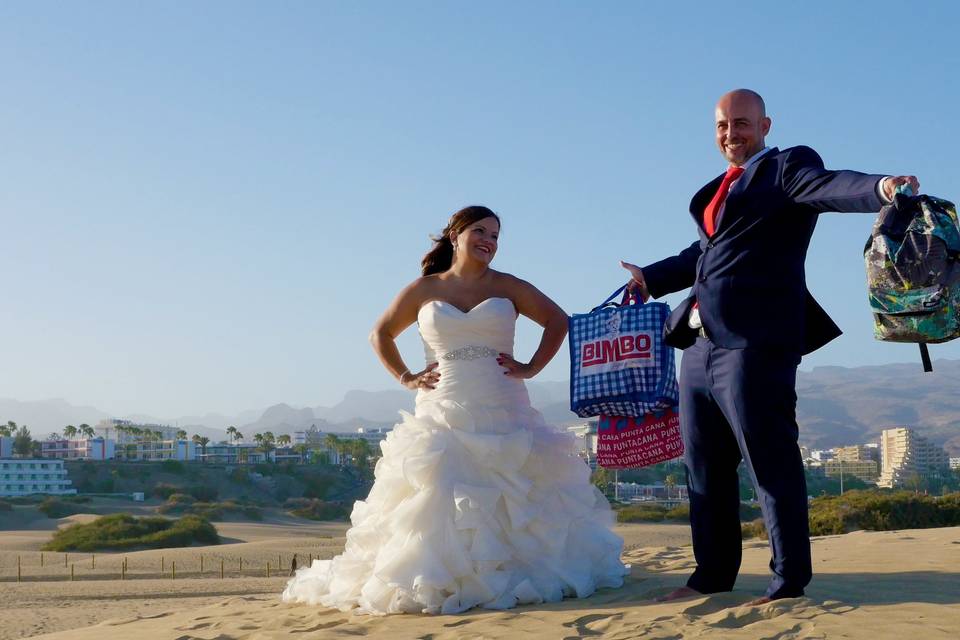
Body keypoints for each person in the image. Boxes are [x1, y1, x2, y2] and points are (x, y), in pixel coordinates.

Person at [620, 89, 919, 604]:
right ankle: (711, 576)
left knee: (770, 464)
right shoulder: (722, 190)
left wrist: (881, 187)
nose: (730, 133)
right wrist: (650, 278)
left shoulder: (786, 167)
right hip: (698, 345)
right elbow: (707, 252)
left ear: (764, 125)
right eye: (721, 125)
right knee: (703, 469)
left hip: (754, 345)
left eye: (741, 123)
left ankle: (787, 583)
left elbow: (828, 186)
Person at [283, 205, 627, 614]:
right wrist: (406, 377)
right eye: (480, 231)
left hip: (503, 403)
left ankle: (511, 575)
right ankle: (436, 578)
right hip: (442, 405)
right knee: (436, 493)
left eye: (496, 236)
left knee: (515, 494)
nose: (489, 241)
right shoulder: (425, 289)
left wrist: (532, 367)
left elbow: (558, 321)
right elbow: (381, 333)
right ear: (455, 235)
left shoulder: (509, 286)